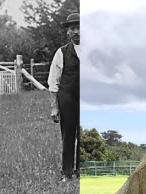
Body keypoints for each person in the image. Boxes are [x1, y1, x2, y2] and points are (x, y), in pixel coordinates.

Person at [48, 13, 80, 182]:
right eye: (73, 28)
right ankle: (67, 172)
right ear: (68, 32)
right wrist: (54, 106)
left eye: (80, 27)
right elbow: (53, 81)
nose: (77, 32)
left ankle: (81, 171)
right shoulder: (61, 52)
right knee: (68, 134)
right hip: (67, 98)